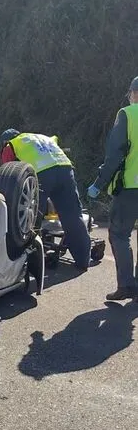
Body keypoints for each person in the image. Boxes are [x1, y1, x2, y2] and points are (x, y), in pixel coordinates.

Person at [0, 129, 91, 271]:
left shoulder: (11, 145)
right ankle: (83, 261)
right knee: (72, 216)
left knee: (32, 218)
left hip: (42, 172)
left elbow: (10, 175)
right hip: (65, 169)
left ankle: (29, 262)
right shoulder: (41, 138)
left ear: (6, 141)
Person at [87, 76, 138, 301]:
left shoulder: (128, 114)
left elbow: (115, 154)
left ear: (134, 93)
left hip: (130, 187)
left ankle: (126, 285)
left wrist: (99, 184)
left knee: (119, 234)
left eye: (130, 93)